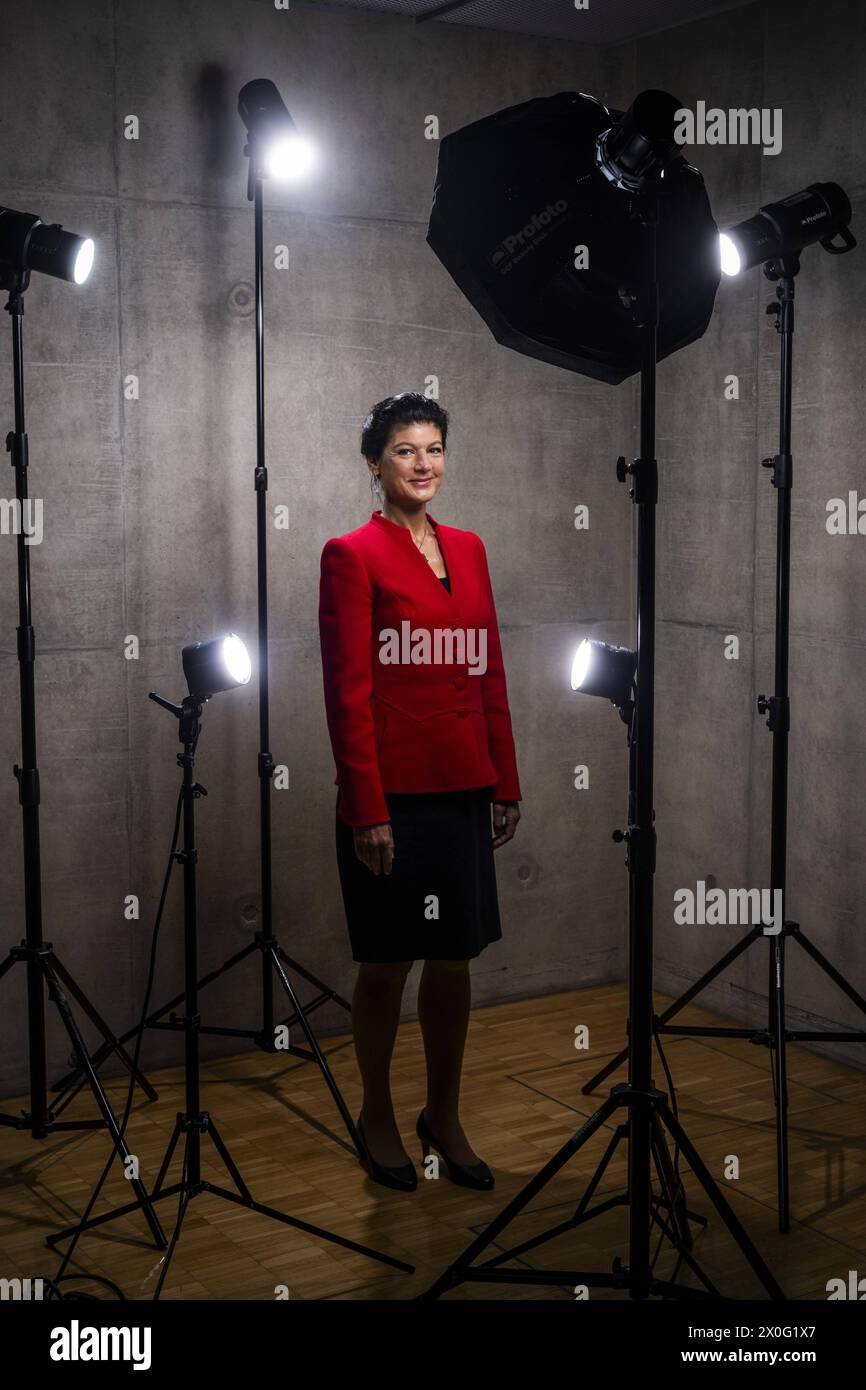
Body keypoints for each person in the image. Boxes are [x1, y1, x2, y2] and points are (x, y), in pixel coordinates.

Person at [318, 392, 521, 1193]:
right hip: (391, 796)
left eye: (434, 448)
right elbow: (346, 692)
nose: (424, 463)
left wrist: (505, 776)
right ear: (376, 463)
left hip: (465, 785)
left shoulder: (469, 549)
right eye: (406, 450)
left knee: (455, 958)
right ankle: (375, 1113)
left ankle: (443, 1111)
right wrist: (364, 806)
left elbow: (490, 666)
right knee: (386, 963)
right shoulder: (350, 554)